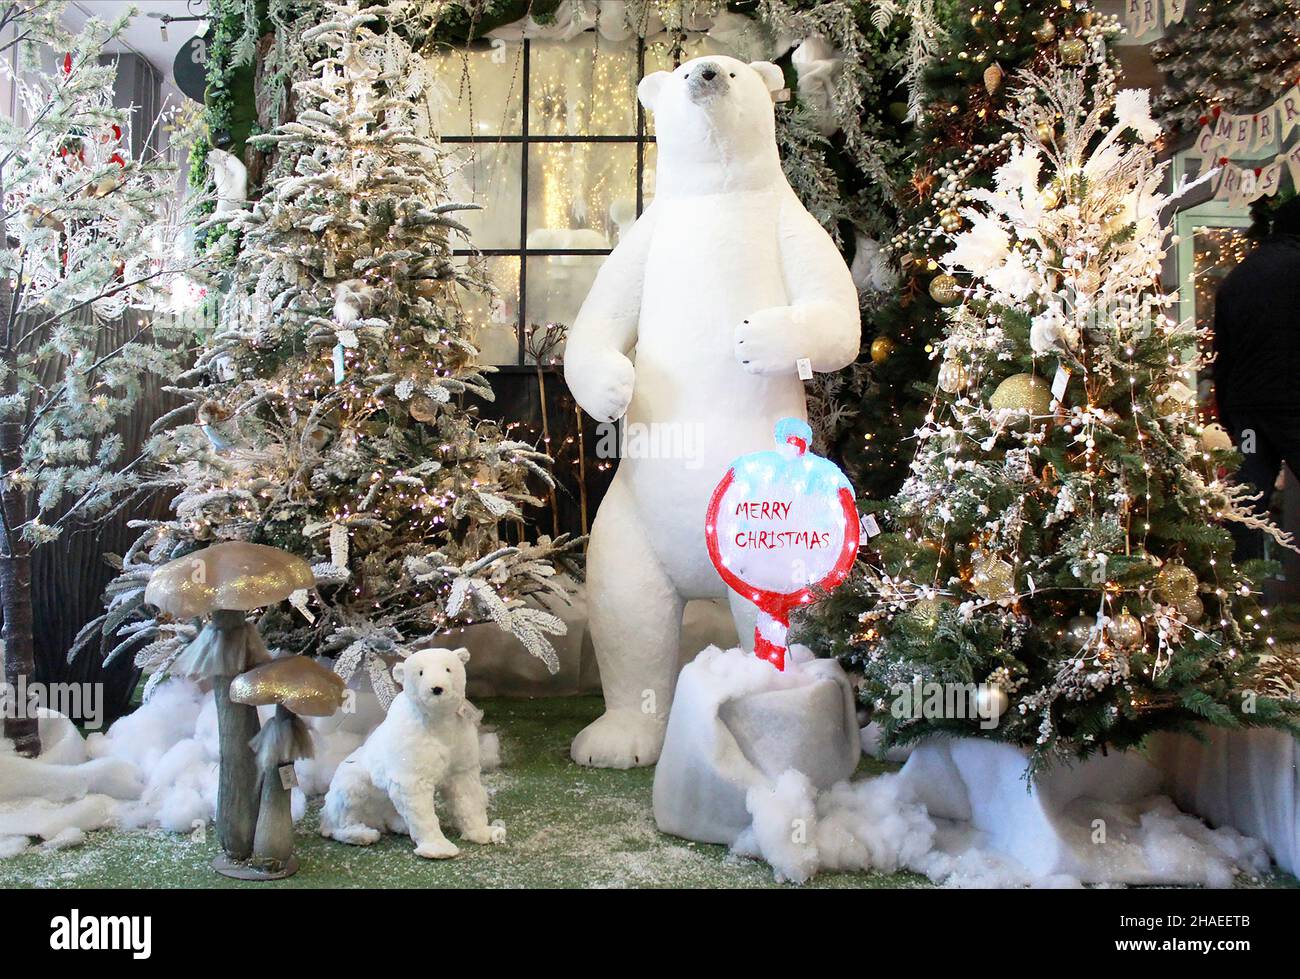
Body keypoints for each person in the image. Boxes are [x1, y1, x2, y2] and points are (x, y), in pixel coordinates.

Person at [1213, 194, 1300, 560]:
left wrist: (1230, 418)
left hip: (1249, 415)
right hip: (1293, 407)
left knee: (1246, 501)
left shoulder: (1239, 276)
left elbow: (1223, 355)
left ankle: (1238, 594)